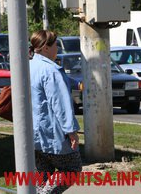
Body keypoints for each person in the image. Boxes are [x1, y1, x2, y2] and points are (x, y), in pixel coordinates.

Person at [29, 30, 82, 194]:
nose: (57, 49)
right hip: (53, 135)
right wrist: (71, 131)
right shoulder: (51, 71)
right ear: (45, 48)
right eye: (55, 45)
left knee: (42, 175)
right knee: (72, 170)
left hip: (33, 136)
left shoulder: (28, 66)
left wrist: (75, 83)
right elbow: (60, 103)